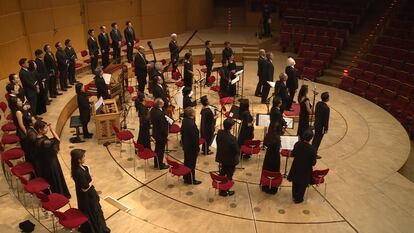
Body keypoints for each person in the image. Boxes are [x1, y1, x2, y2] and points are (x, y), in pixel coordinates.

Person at [70, 149, 111, 233]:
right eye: (83, 157)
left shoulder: (82, 167)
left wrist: (88, 171)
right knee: (92, 212)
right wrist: (92, 180)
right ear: (78, 160)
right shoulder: (78, 172)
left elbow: (88, 175)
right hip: (87, 197)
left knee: (95, 211)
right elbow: (84, 188)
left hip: (88, 194)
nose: (85, 158)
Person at [35, 120, 71, 198]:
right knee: (56, 178)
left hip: (46, 162)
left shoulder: (38, 138)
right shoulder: (45, 142)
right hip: (51, 163)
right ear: (39, 130)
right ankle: (59, 195)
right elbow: (57, 140)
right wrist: (51, 130)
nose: (46, 129)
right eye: (45, 128)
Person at [287, 129, 317, 203]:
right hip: (306, 169)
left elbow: (293, 154)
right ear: (311, 138)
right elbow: (313, 163)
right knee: (303, 184)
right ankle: (299, 199)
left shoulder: (297, 144)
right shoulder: (312, 149)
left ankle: (294, 196)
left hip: (296, 166)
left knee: (295, 182)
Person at [215, 119, 239, 196]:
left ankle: (221, 186)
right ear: (231, 127)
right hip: (230, 160)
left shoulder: (219, 132)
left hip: (221, 157)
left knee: (222, 172)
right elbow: (236, 150)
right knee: (229, 175)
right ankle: (225, 191)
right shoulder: (232, 138)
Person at [9, 97, 34, 164]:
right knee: (27, 149)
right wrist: (26, 132)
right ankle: (30, 163)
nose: (21, 102)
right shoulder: (18, 112)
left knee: (29, 148)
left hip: (26, 128)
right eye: (19, 101)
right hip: (23, 132)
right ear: (15, 104)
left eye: (20, 100)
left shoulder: (20, 109)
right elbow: (21, 124)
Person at [181, 107, 202, 185]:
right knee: (191, 164)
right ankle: (191, 180)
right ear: (192, 114)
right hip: (191, 148)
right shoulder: (192, 125)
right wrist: (197, 148)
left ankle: (186, 177)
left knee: (186, 162)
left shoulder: (185, 120)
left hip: (186, 145)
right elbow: (195, 139)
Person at [261, 123, 281, 194]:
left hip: (268, 155)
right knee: (275, 170)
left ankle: (265, 185)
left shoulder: (268, 135)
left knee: (266, 168)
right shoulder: (278, 138)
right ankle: (273, 187)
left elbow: (265, 144)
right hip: (276, 156)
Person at [149, 98, 170, 170]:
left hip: (156, 132)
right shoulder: (159, 114)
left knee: (157, 149)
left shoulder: (153, 110)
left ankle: (156, 163)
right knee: (160, 150)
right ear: (159, 105)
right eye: (162, 103)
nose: (164, 103)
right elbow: (162, 126)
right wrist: (166, 135)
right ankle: (160, 165)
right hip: (160, 135)